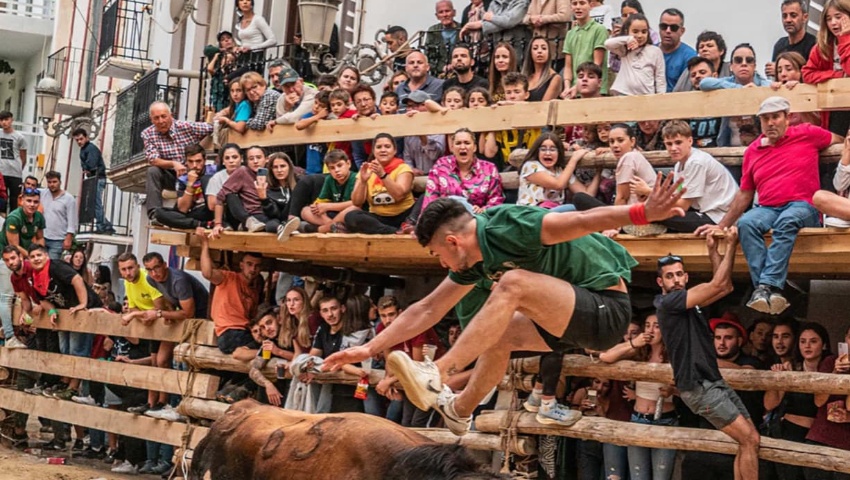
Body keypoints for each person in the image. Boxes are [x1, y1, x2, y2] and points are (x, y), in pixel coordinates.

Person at [323, 174, 686, 435]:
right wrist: (369, 348)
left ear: (453, 242)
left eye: (438, 254)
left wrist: (642, 213)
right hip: (567, 321)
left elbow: (580, 219)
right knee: (496, 331)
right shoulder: (473, 261)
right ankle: (460, 410)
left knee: (513, 284)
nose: (442, 264)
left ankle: (438, 372)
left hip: (607, 310)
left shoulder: (509, 226)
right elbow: (427, 308)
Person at [696, 97, 843, 315]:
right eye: (766, 118)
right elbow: (745, 193)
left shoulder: (807, 133)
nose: (771, 123)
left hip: (803, 205)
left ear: (787, 117)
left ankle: (765, 286)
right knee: (746, 223)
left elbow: (839, 140)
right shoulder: (753, 150)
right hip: (767, 208)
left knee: (787, 221)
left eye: (775, 117)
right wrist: (722, 225)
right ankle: (768, 290)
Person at [654, 229, 762, 480]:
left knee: (751, 439)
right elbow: (718, 284)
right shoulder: (668, 304)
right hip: (699, 386)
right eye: (669, 276)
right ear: (661, 283)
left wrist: (714, 251)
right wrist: (731, 244)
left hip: (712, 381)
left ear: (686, 277)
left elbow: (724, 287)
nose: (675, 280)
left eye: (679, 274)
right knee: (748, 440)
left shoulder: (690, 304)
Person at [600, 313, 678, 480]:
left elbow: (690, 388)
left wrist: (673, 391)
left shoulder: (674, 355)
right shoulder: (639, 353)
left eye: (657, 326)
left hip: (665, 420)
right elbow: (605, 356)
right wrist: (634, 342)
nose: (651, 330)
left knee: (661, 477)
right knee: (638, 476)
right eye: (647, 326)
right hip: (638, 419)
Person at [655, 121, 738, 233]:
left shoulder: (696, 162)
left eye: (678, 142)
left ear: (690, 141)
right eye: (669, 144)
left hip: (720, 217)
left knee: (656, 215)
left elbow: (683, 206)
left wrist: (648, 192)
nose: (673, 148)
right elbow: (677, 198)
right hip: (706, 210)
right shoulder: (679, 164)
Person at [764, 321, 821, 480]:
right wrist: (778, 379)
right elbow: (770, 404)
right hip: (789, 431)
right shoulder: (791, 367)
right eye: (803, 341)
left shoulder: (830, 365)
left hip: (817, 436)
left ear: (823, 345)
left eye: (813, 341)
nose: (807, 346)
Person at [142, 101, 213, 220]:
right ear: (151, 120)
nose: (161, 121)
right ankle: (155, 214)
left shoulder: (185, 126)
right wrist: (174, 164)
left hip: (192, 174)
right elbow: (153, 159)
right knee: (152, 171)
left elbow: (211, 128)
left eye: (163, 116)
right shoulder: (147, 134)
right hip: (171, 175)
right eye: (156, 118)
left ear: (171, 115)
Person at [338, 133, 415, 234]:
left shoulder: (403, 168)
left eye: (387, 146)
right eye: (379, 147)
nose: (383, 150)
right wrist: (363, 181)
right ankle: (394, 232)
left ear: (395, 150)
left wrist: (383, 175)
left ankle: (403, 228)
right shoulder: (366, 169)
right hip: (379, 218)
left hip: (404, 216)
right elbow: (357, 202)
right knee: (351, 217)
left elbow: (399, 195)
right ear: (373, 151)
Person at [198, 233, 261, 354]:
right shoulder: (229, 278)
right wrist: (205, 245)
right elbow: (207, 273)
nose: (253, 269)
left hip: (243, 332)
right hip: (228, 334)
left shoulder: (254, 292)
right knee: (267, 347)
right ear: (241, 265)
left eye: (257, 266)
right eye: (249, 264)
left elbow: (251, 319)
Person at [802, 0, 850, 136]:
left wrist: (845, 39)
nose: (833, 23)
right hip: (835, 108)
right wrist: (838, 76)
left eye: (838, 17)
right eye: (829, 19)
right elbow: (807, 74)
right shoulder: (822, 47)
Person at [517, 132, 595, 208]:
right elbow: (558, 185)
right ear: (537, 152)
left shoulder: (561, 171)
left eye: (552, 150)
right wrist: (574, 160)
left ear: (559, 152)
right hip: (531, 212)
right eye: (543, 149)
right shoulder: (531, 166)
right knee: (572, 208)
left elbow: (588, 195)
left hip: (554, 212)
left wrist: (599, 171)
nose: (548, 153)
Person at [211, 145, 273, 235]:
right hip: (253, 215)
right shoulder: (242, 171)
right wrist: (218, 224)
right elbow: (220, 197)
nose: (255, 161)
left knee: (276, 223)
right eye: (251, 159)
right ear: (246, 161)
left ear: (266, 159)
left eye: (258, 157)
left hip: (271, 212)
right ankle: (245, 223)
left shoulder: (272, 172)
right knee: (230, 195)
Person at [153, 144, 215, 230]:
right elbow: (183, 209)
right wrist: (190, 184)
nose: (194, 165)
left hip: (211, 209)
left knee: (206, 179)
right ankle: (201, 224)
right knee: (159, 213)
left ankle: (194, 223)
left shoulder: (214, 170)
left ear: (205, 160)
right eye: (190, 161)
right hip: (195, 213)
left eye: (198, 161)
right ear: (186, 162)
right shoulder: (183, 179)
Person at [459, 0, 531, 66]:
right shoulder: (494, 3)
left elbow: (510, 21)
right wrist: (501, 20)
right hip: (497, 47)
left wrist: (492, 18)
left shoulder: (522, 2)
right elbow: (489, 26)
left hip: (516, 48)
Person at [561, 0, 609, 99]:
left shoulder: (599, 29)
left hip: (595, 90)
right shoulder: (570, 33)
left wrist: (576, 87)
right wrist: (567, 87)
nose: (578, 7)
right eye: (574, 4)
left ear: (590, 6)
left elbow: (596, 64)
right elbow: (568, 66)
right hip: (575, 91)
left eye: (582, 3)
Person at [73, 129, 113, 234]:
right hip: (94, 178)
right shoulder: (84, 150)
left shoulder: (90, 148)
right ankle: (106, 225)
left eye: (81, 139)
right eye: (77, 140)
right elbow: (85, 166)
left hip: (97, 178)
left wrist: (86, 168)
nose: (79, 142)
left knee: (96, 203)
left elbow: (91, 164)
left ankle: (102, 226)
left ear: (86, 137)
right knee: (93, 203)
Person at [766, 0, 817, 79]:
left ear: (805, 17)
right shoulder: (779, 45)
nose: (788, 20)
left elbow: (813, 74)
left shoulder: (814, 44)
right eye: (784, 16)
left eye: (793, 15)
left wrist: (779, 70)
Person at [402, 91, 447, 175]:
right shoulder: (409, 133)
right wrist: (411, 169)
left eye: (414, 106)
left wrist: (421, 131)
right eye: (408, 106)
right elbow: (407, 158)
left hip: (439, 176)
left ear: (425, 106)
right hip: (416, 178)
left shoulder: (439, 127)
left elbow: (434, 155)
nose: (410, 110)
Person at [39, 171, 77, 260]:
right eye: (49, 182)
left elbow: (72, 220)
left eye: (54, 182)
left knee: (53, 264)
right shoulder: (43, 193)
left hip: (58, 240)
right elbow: (30, 190)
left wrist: (69, 238)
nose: (52, 184)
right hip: (42, 237)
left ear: (60, 182)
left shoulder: (69, 199)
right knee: (40, 263)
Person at [699, 43, 771, 91]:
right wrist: (739, 88)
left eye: (749, 60)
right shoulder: (728, 81)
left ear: (754, 66)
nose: (744, 63)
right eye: (738, 60)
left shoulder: (765, 84)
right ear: (731, 66)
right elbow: (704, 83)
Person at [257, 152, 296, 237]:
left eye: (283, 166)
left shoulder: (299, 183)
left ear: (289, 167)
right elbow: (274, 215)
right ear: (271, 170)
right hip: (280, 220)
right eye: (275, 167)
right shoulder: (268, 188)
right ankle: (284, 229)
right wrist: (264, 199)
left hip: (296, 218)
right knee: (270, 225)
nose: (279, 170)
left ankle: (289, 229)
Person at [658, 8, 696, 93]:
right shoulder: (650, 52)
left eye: (673, 28)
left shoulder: (690, 57)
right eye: (664, 26)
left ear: (682, 31)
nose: (668, 31)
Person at [0, 188, 44, 255]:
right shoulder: (14, 218)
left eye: (36, 202)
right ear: (22, 201)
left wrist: (40, 254)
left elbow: (40, 239)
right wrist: (31, 257)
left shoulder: (39, 216)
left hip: (25, 250)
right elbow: (14, 246)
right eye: (29, 201)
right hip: (7, 254)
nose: (32, 204)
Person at [522, 36, 564, 101]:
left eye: (544, 48)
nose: (539, 51)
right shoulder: (525, 77)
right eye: (535, 48)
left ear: (548, 53)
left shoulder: (555, 78)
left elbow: (544, 104)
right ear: (530, 53)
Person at [424, 1, 461, 75]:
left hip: (461, 71)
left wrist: (454, 65)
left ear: (454, 12)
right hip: (439, 73)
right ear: (437, 16)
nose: (445, 15)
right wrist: (442, 68)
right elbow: (428, 56)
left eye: (447, 11)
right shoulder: (432, 31)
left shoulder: (463, 28)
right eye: (441, 12)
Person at [0, 110, 26, 212]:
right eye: (1, 120)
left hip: (15, 174)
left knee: (14, 201)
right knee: (2, 201)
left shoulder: (20, 137)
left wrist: (19, 168)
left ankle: (13, 220)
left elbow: (23, 157)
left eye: (6, 119)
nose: (4, 122)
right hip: (1, 173)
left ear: (12, 120)